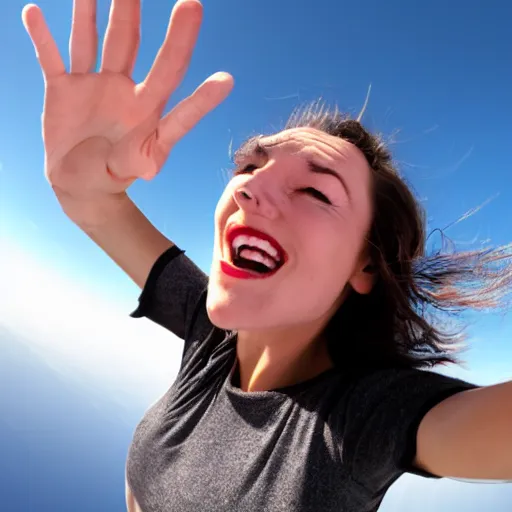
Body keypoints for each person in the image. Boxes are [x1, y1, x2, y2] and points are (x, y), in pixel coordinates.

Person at [22, 0, 512, 511]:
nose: (250, 191)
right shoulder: (209, 339)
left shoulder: (362, 421)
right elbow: (98, 207)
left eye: (316, 192)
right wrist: (82, 179)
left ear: (365, 266)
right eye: (250, 165)